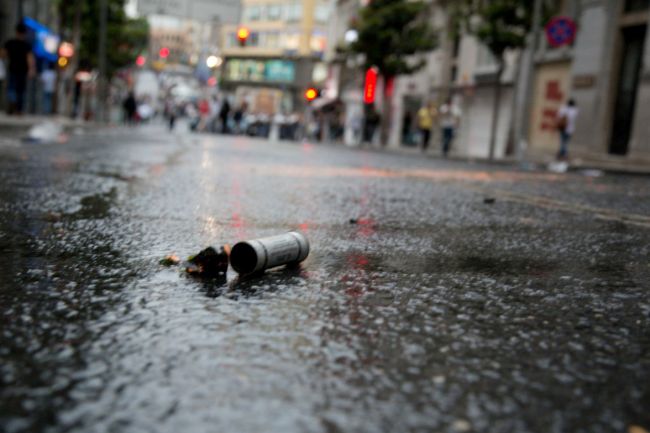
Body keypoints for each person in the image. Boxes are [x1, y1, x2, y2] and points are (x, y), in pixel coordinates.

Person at [1, 22, 35, 115]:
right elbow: (30, 58)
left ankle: (12, 102)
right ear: (24, 33)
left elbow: (3, 54)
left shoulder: (10, 43)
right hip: (23, 70)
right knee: (21, 90)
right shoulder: (26, 45)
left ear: (16, 32)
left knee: (11, 88)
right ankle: (19, 109)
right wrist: (31, 69)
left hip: (12, 69)